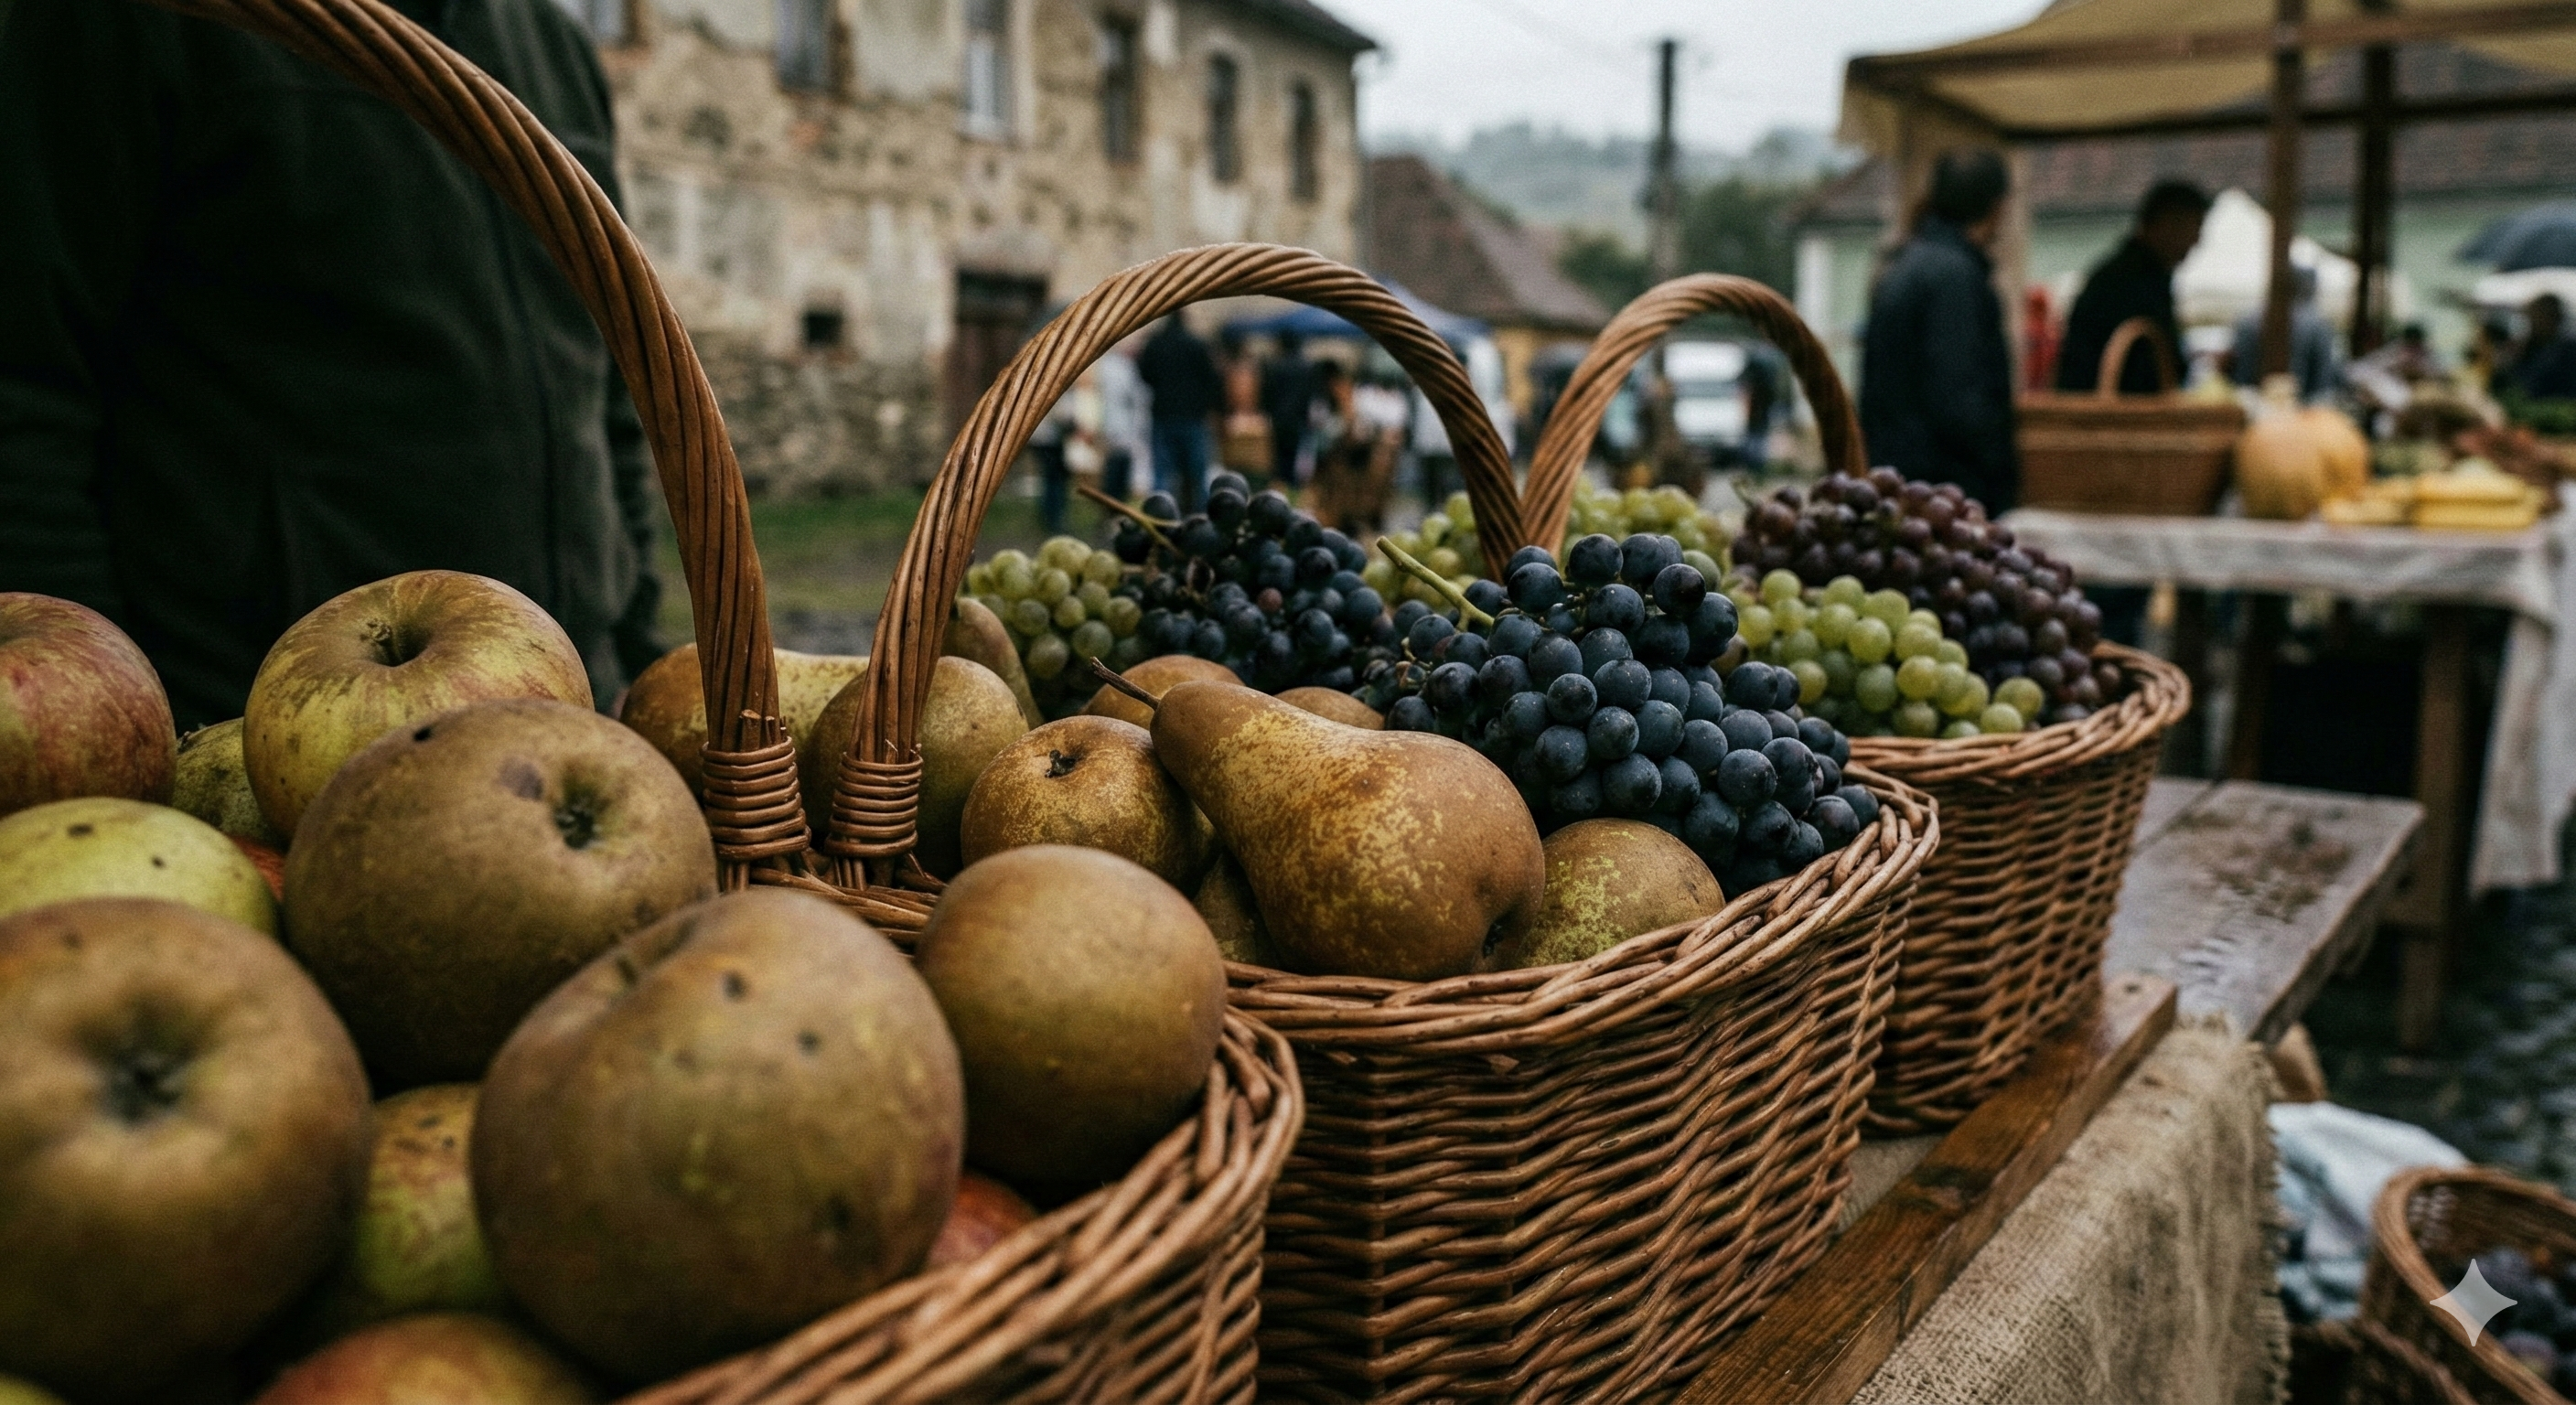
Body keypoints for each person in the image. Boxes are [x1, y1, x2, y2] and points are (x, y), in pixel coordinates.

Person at [0, 0, 662, 728]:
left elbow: (607, 377)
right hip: (264, 734)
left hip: (573, 706)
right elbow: (27, 386)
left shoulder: (551, 42)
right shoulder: (127, 20)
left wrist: (631, 644)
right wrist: (94, 719)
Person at [1859, 148, 2020, 513]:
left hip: (1900, 482)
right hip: (1943, 494)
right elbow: (1958, 397)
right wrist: (1997, 473)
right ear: (1997, 207)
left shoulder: (1905, 263)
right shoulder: (1955, 278)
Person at [2055, 180, 2211, 395]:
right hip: (2111, 417)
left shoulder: (2132, 273)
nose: (2196, 241)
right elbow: (2146, 369)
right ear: (2166, 223)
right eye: (2194, 228)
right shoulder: (2132, 281)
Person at [1136, 314, 1221, 511]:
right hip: (1193, 417)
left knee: (1162, 474)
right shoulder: (1197, 344)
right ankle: (1202, 518)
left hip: (1163, 415)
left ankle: (1161, 516)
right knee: (1198, 473)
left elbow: (1144, 374)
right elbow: (1211, 378)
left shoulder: (1155, 344)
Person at [2228, 264, 2341, 402]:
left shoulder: (2247, 319)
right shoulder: (2317, 324)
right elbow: (2323, 383)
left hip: (2251, 405)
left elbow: (2240, 376)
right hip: (2303, 411)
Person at [1259, 331, 1318, 490]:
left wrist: (1267, 412)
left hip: (1279, 418)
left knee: (1279, 458)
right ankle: (1292, 489)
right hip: (1298, 419)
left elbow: (1267, 392)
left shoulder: (1276, 365)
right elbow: (1309, 395)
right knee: (1295, 458)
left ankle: (1279, 488)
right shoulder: (1306, 367)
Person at [2500, 295, 2576, 401]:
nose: (2532, 324)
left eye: (2535, 317)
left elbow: (2532, 384)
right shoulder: (2533, 347)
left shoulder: (2564, 351)